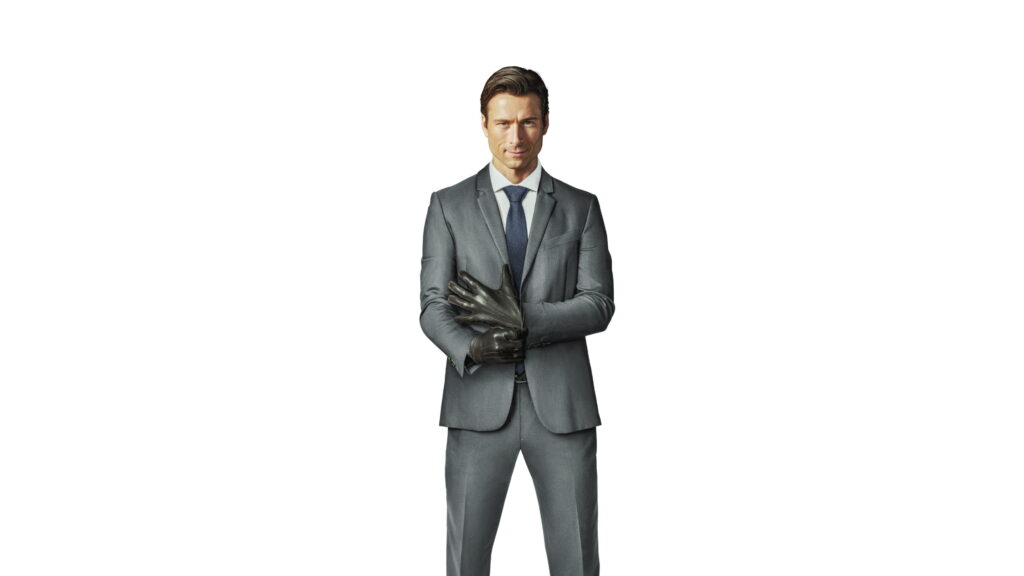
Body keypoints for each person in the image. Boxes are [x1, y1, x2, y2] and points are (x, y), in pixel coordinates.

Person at [419, 65, 614, 576]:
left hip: (562, 408)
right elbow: (432, 306)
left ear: (545, 123)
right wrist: (471, 348)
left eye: (528, 121)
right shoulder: (448, 206)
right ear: (484, 124)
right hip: (477, 404)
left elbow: (598, 304)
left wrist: (521, 319)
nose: (516, 137)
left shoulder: (580, 207)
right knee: (466, 561)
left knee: (577, 560)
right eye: (504, 123)